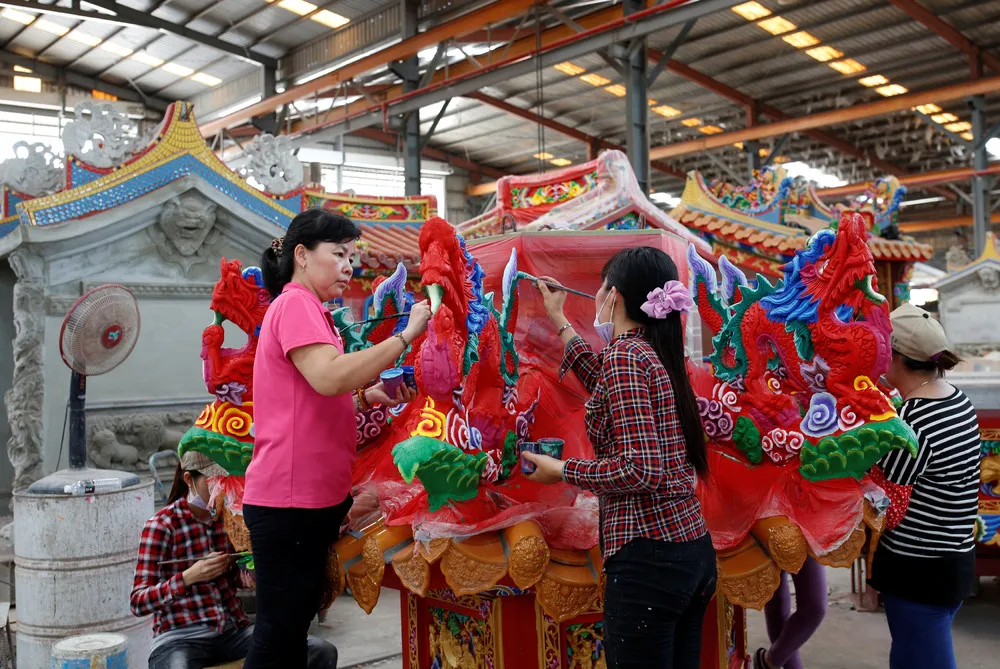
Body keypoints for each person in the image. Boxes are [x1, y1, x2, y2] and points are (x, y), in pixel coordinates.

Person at [243, 209, 431, 669]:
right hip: (288, 501)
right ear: (302, 256)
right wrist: (405, 336)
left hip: (310, 499)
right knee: (278, 631)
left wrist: (368, 397)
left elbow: (316, 402)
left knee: (290, 632)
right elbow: (328, 378)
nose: (349, 265)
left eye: (352, 256)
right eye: (340, 253)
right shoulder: (295, 305)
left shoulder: (315, 312)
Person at [523, 246, 716, 669]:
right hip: (689, 550)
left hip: (652, 558)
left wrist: (561, 470)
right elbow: (606, 386)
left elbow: (639, 470)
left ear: (614, 297)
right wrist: (558, 318)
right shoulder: (650, 348)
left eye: (601, 287)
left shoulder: (628, 356)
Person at [130, 451, 338, 669]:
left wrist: (247, 574)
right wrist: (188, 577)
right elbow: (138, 602)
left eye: (225, 481)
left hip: (233, 632)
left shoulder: (229, 518)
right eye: (212, 482)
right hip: (180, 638)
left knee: (320, 651)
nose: (220, 489)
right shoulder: (161, 526)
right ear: (189, 480)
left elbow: (238, 573)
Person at [868, 303, 980, 669]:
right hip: (953, 559)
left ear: (895, 356)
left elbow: (886, 497)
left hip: (919, 570)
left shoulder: (913, 419)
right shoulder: (956, 398)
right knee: (910, 655)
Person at [754, 558, 827, 669]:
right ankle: (770, 663)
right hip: (763, 542)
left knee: (814, 608)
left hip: (806, 540)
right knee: (777, 607)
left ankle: (768, 661)